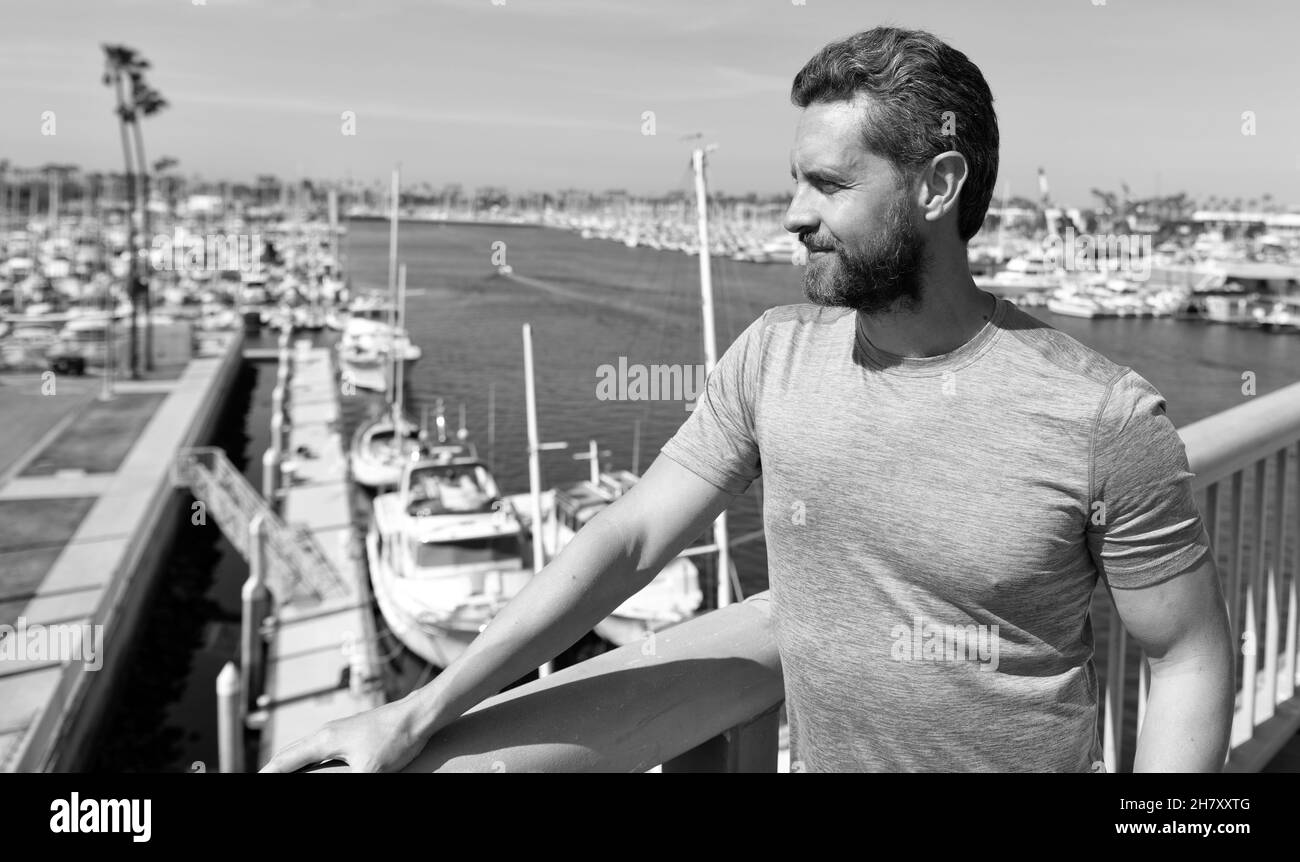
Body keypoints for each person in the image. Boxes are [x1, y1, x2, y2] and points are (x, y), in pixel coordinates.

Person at [263, 26, 1234, 774]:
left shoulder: (1100, 416)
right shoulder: (773, 358)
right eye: (792, 181)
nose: (791, 214)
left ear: (938, 186)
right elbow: (629, 540)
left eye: (826, 183)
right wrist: (425, 707)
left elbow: (1185, 653)